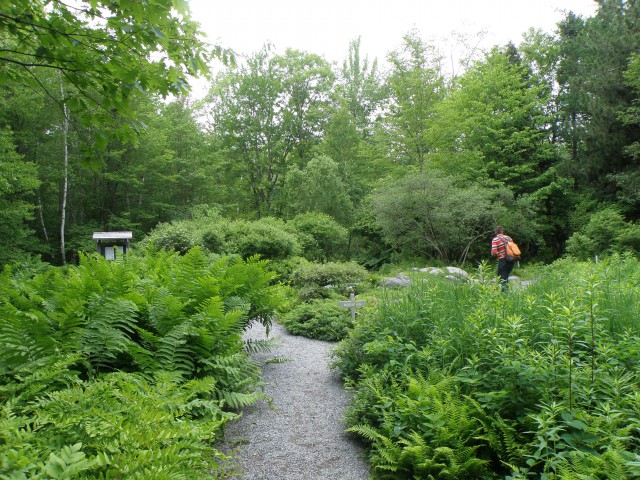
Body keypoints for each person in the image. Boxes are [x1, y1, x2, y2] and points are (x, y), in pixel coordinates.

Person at [491, 226, 515, 291]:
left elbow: (494, 252)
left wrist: (496, 253)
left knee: (501, 279)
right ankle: (507, 293)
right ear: (502, 231)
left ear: (496, 232)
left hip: (503, 260)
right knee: (506, 277)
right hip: (512, 260)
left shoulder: (495, 239)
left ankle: (504, 295)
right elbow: (513, 248)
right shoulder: (509, 238)